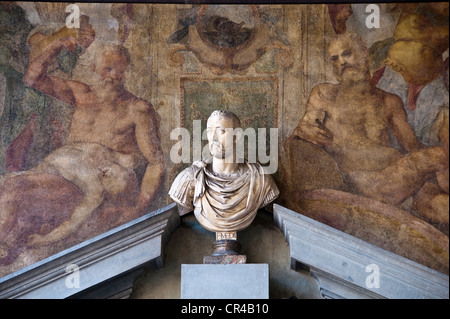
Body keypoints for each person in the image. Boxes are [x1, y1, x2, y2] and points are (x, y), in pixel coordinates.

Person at [0, 24, 165, 248]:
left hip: (92, 183)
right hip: (62, 169)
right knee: (7, 189)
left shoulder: (137, 109)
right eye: (108, 69)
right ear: (95, 68)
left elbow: (155, 163)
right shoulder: (80, 93)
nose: (114, 76)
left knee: (12, 190)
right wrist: (55, 47)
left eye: (120, 71)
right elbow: (32, 79)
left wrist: (138, 209)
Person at [292, 33, 448, 218]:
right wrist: (302, 129)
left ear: (363, 54)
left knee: (441, 205)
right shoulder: (324, 94)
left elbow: (413, 147)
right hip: (366, 182)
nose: (342, 62)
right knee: (440, 155)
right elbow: (305, 128)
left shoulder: (389, 101)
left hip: (400, 179)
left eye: (346, 53)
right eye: (335, 59)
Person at [168, 110, 279, 235]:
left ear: (237, 136)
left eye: (221, 131)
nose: (213, 138)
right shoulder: (190, 178)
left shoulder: (260, 178)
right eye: (210, 131)